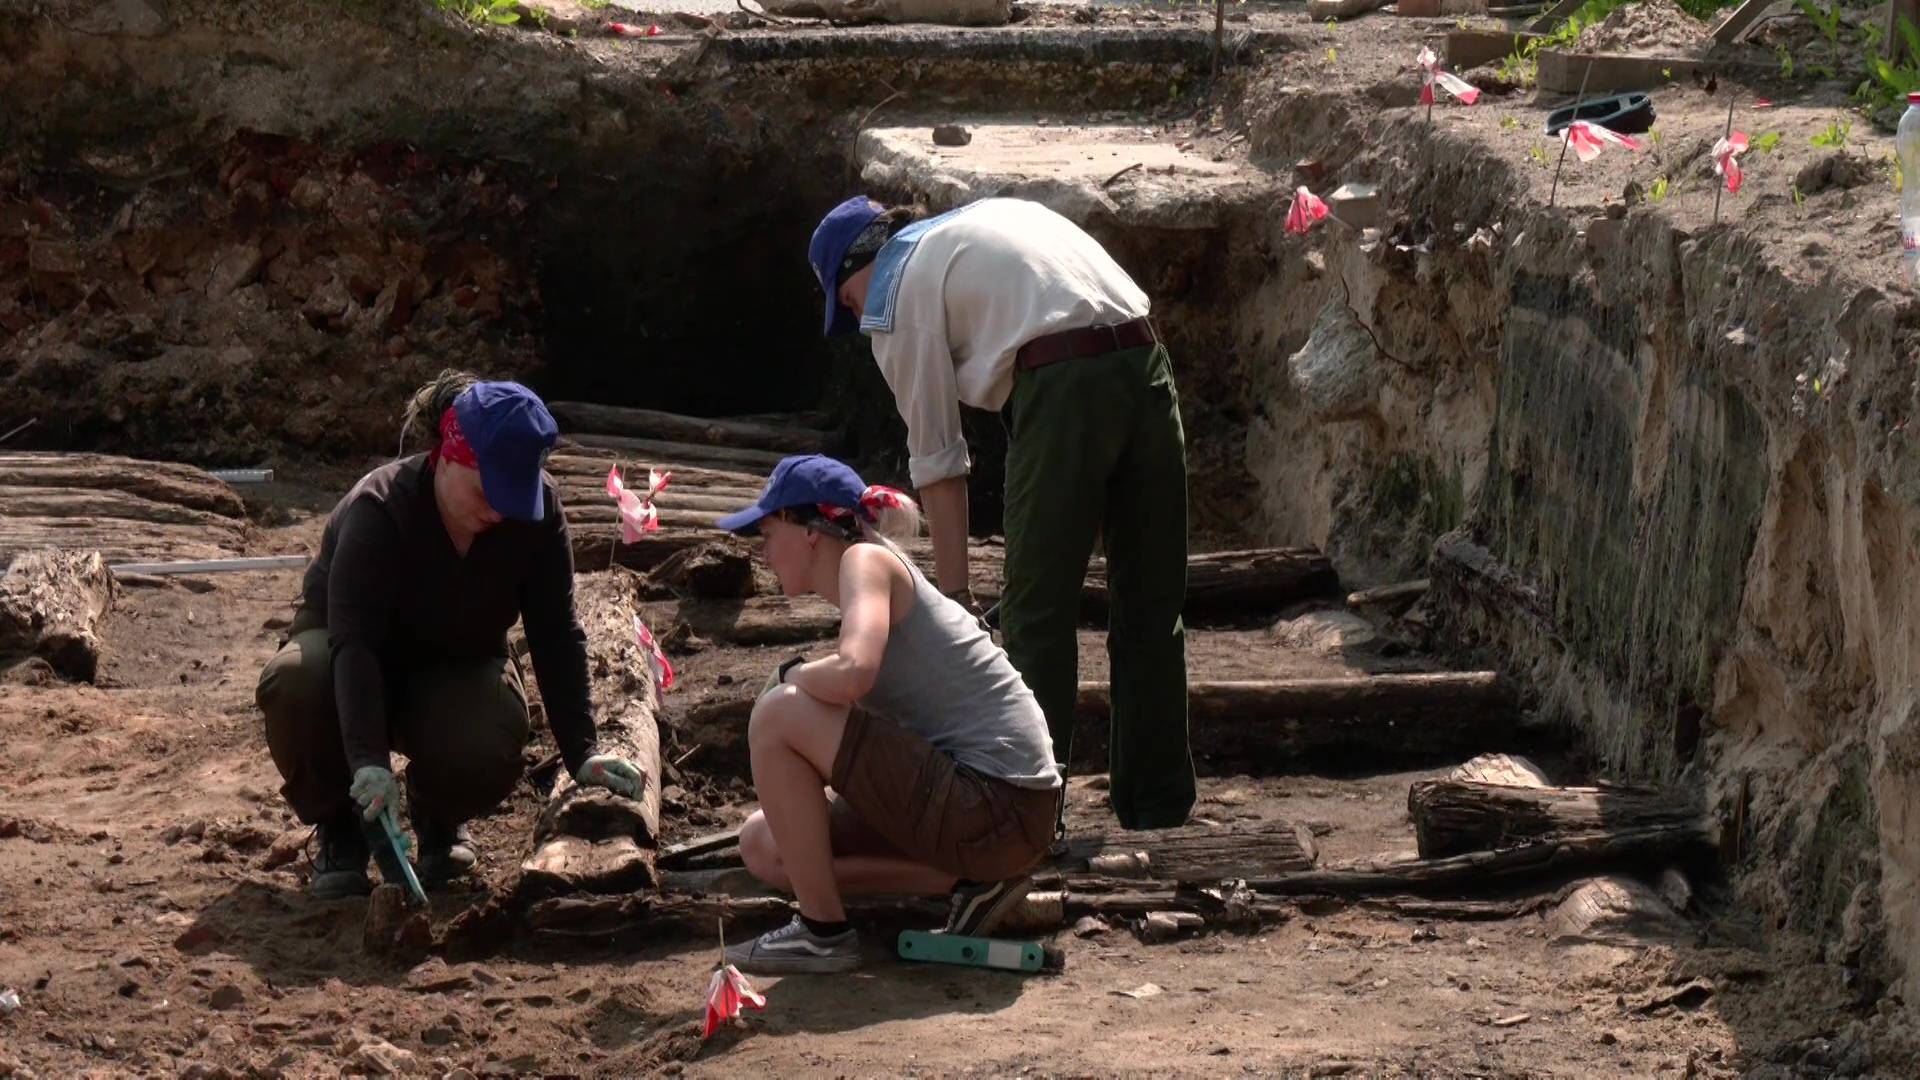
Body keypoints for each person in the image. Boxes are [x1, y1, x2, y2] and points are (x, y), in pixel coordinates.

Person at [806, 195, 1195, 830]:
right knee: (1152, 604)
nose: (856, 318)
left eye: (846, 302)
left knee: (1036, 614)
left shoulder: (895, 290)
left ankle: (1027, 819)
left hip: (1068, 387)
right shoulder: (978, 223)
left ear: (859, 266)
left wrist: (955, 597)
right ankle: (1158, 805)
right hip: (1147, 363)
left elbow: (937, 458)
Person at [255, 371, 647, 899]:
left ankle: (439, 815)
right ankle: (341, 826)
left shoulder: (538, 517)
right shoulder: (380, 510)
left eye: (515, 497)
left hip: (454, 670)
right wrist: (371, 764)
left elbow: (556, 632)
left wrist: (582, 749)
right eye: (489, 491)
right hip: (347, 661)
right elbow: (355, 647)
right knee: (298, 682)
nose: (499, 511)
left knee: (492, 728)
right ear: (448, 455)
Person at [717, 454, 1061, 975]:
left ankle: (822, 933)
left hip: (999, 804)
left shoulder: (865, 562)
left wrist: (791, 675)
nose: (763, 553)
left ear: (809, 531)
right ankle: (971, 885)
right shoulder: (865, 575)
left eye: (767, 532)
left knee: (776, 714)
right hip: (997, 817)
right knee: (767, 844)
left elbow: (854, 672)